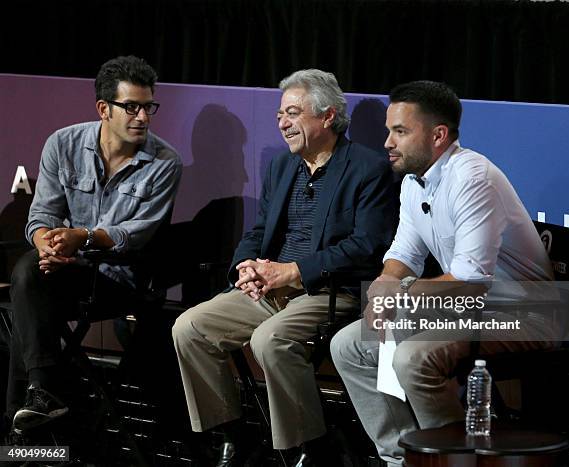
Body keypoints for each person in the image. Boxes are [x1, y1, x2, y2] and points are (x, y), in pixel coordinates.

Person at [172, 69, 396, 466]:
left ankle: (306, 447)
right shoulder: (281, 167)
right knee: (190, 327)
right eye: (279, 115)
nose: (282, 123)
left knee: (269, 340)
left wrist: (294, 271)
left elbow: (367, 246)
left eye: (293, 113)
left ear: (327, 116)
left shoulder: (368, 168)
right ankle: (233, 434)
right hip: (271, 287)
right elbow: (259, 231)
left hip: (330, 291)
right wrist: (245, 265)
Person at [330, 81, 556, 466]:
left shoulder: (472, 178)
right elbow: (403, 253)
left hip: (525, 314)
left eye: (400, 131)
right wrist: (386, 282)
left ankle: (453, 460)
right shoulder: (412, 183)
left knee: (413, 358)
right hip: (468, 309)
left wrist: (397, 294)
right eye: (389, 130)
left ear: (438, 135)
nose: (387, 141)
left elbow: (471, 279)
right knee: (349, 346)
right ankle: (402, 457)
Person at [7, 55, 182, 435]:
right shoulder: (63, 143)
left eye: (148, 107)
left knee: (29, 299)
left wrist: (81, 238)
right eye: (131, 107)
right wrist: (46, 243)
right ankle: (42, 403)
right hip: (67, 272)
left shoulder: (165, 162)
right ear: (104, 108)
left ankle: (31, 420)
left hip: (121, 281)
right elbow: (41, 216)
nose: (143, 117)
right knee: (28, 274)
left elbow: (137, 233)